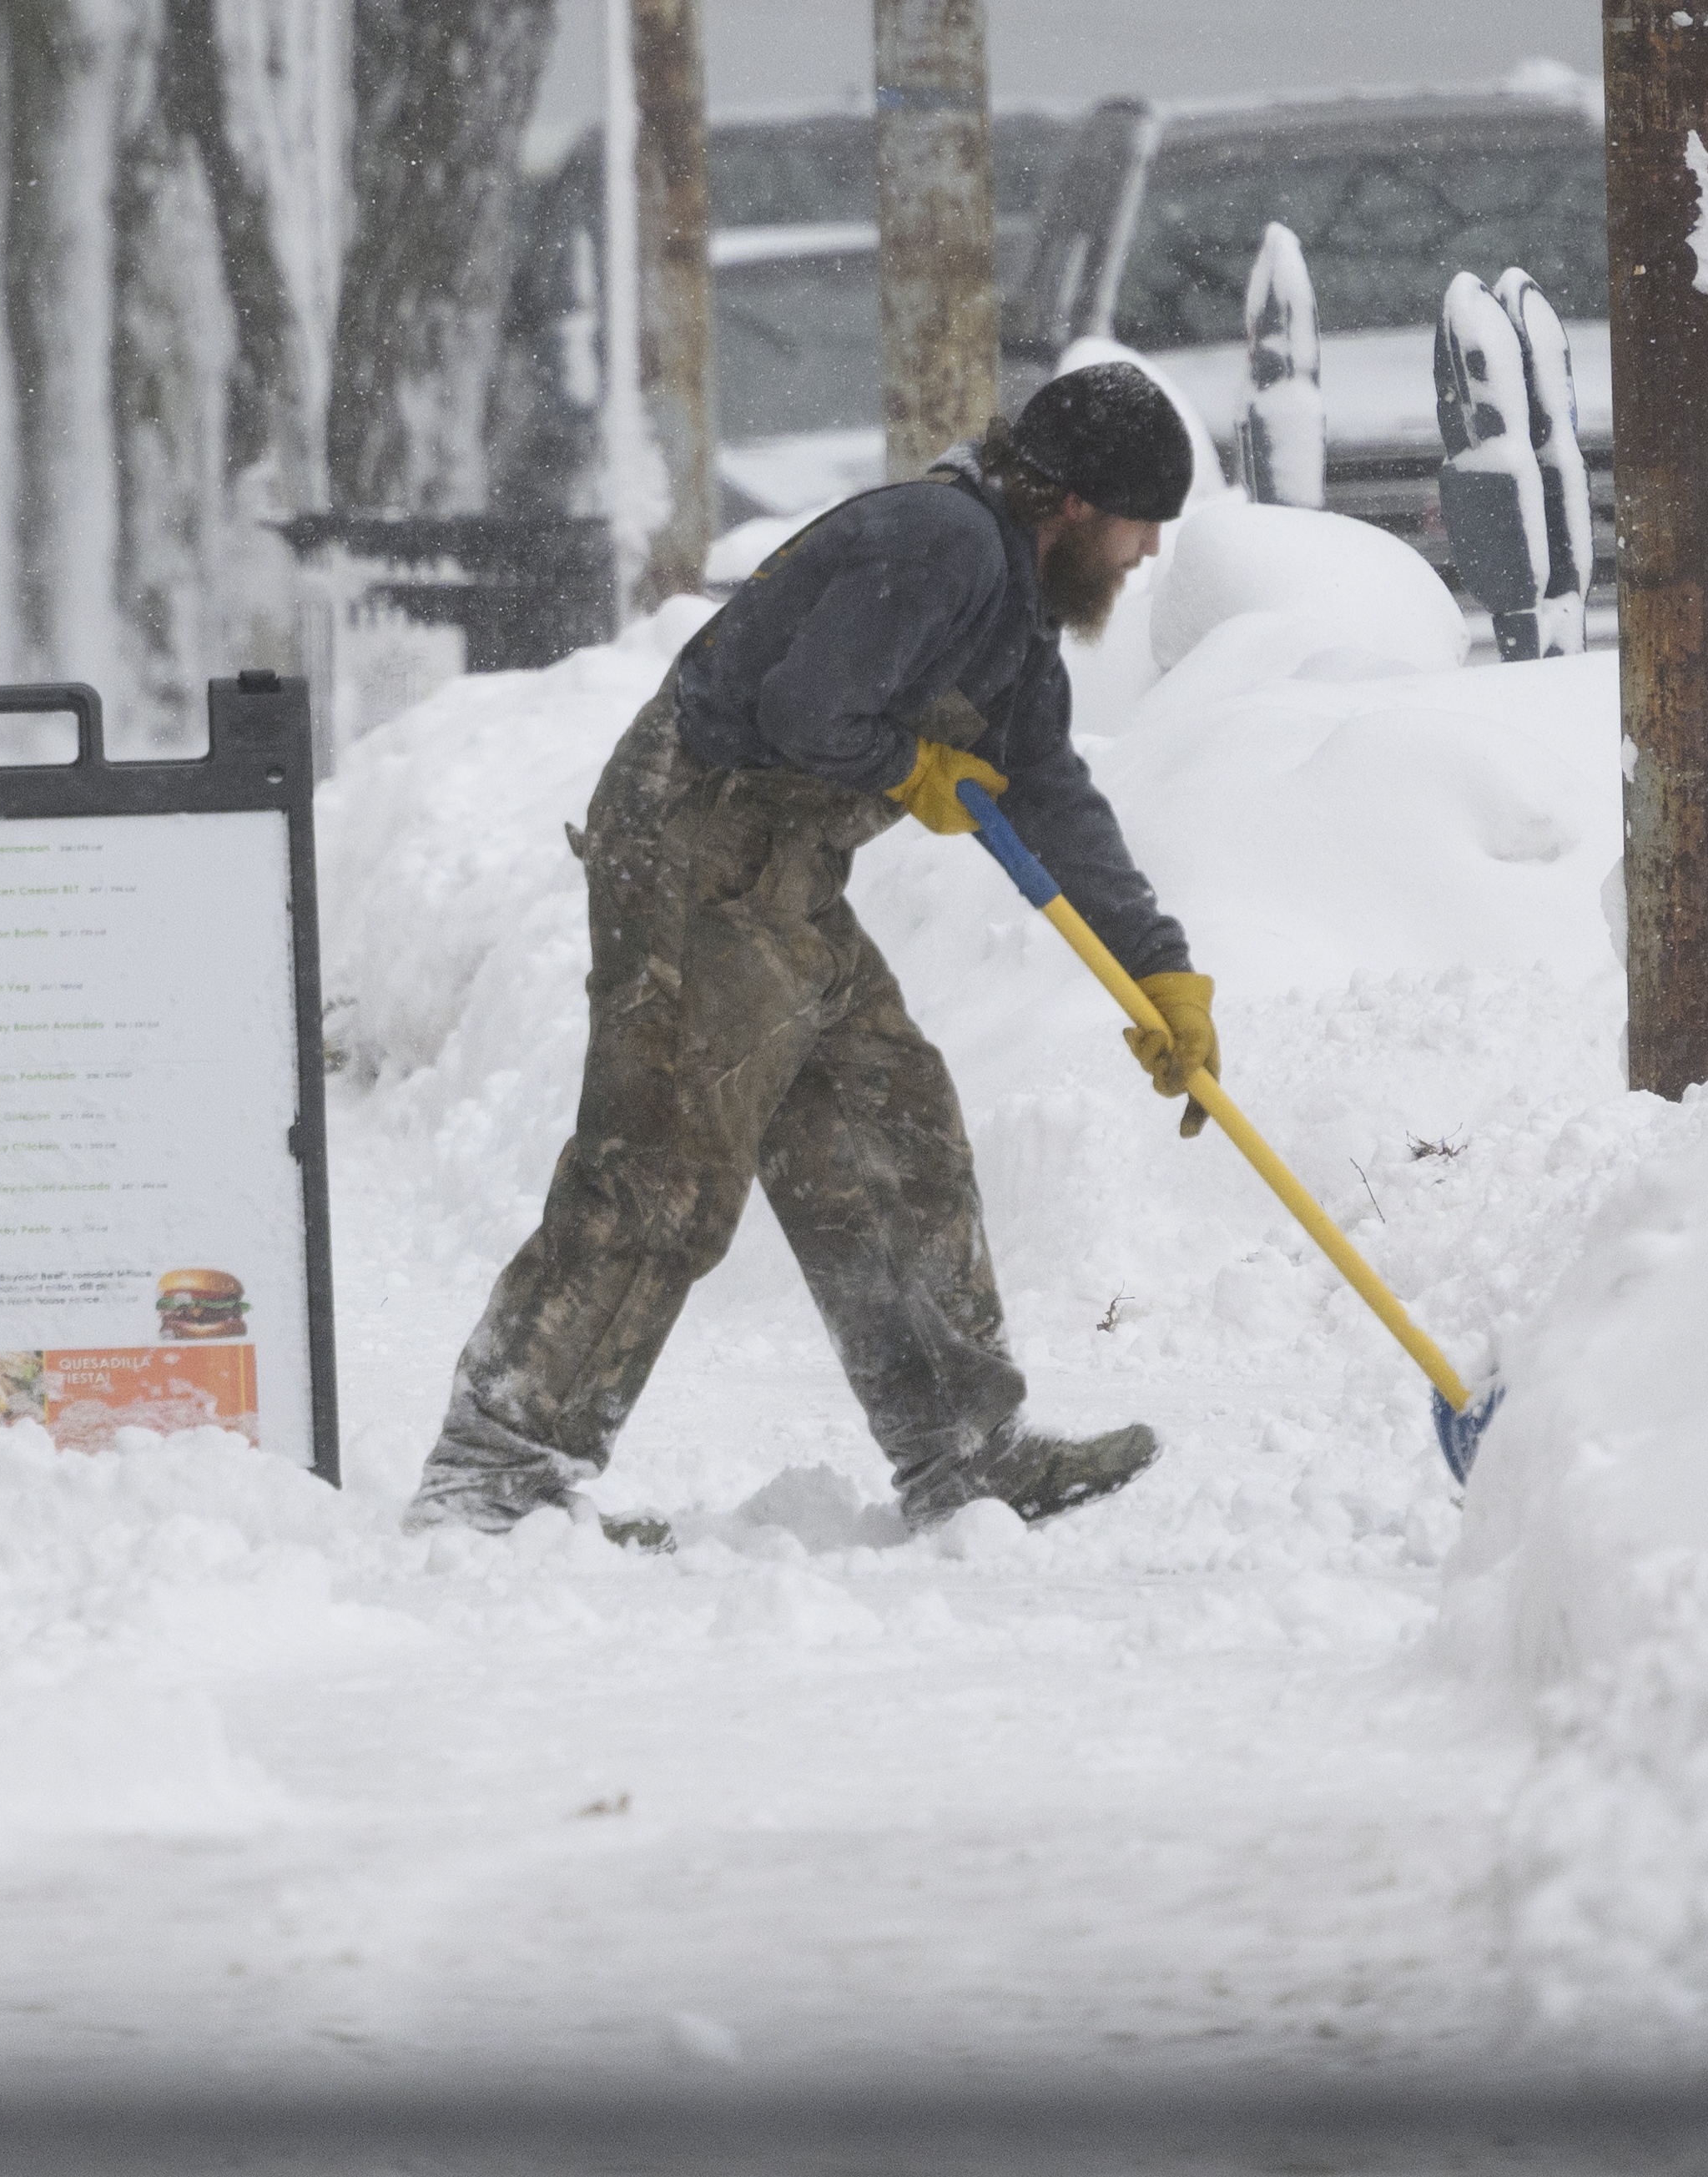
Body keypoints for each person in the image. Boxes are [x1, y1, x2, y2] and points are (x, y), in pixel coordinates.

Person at [409, 360, 1216, 1534]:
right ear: (1077, 505)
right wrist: (911, 771)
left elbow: (1045, 784)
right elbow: (806, 708)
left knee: (889, 1129)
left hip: (778, 874)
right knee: (664, 1164)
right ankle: (494, 1471)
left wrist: (1159, 966)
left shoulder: (1013, 607)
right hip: (693, 841)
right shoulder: (944, 543)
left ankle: (963, 1452)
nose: (1147, 556)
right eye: (1143, 524)